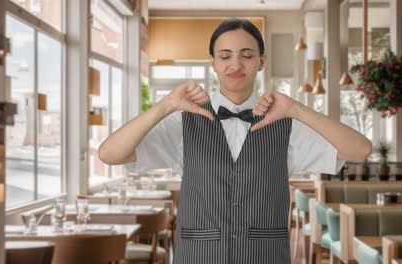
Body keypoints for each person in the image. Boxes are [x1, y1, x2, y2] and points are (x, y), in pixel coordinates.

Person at [99, 18, 372, 264]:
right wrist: (166, 105)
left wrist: (296, 110)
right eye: (225, 56)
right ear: (213, 62)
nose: (236, 65)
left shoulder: (285, 125)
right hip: (198, 257)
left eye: (247, 55)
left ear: (261, 61)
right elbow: (110, 154)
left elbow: (360, 149)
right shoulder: (183, 123)